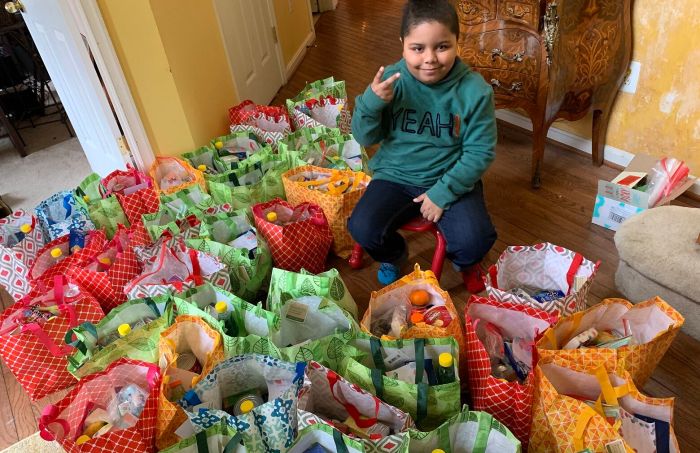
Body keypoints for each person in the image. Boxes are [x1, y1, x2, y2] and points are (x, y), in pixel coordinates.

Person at [347, 0, 497, 292]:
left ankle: (466, 263)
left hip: (450, 177)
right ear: (403, 44)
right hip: (396, 176)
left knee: (474, 241)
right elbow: (365, 138)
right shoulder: (392, 81)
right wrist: (371, 103)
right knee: (363, 228)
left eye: (442, 46)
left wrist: (443, 192)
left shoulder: (475, 90)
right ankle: (395, 254)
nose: (430, 58)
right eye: (418, 48)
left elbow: (480, 152)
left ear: (457, 42)